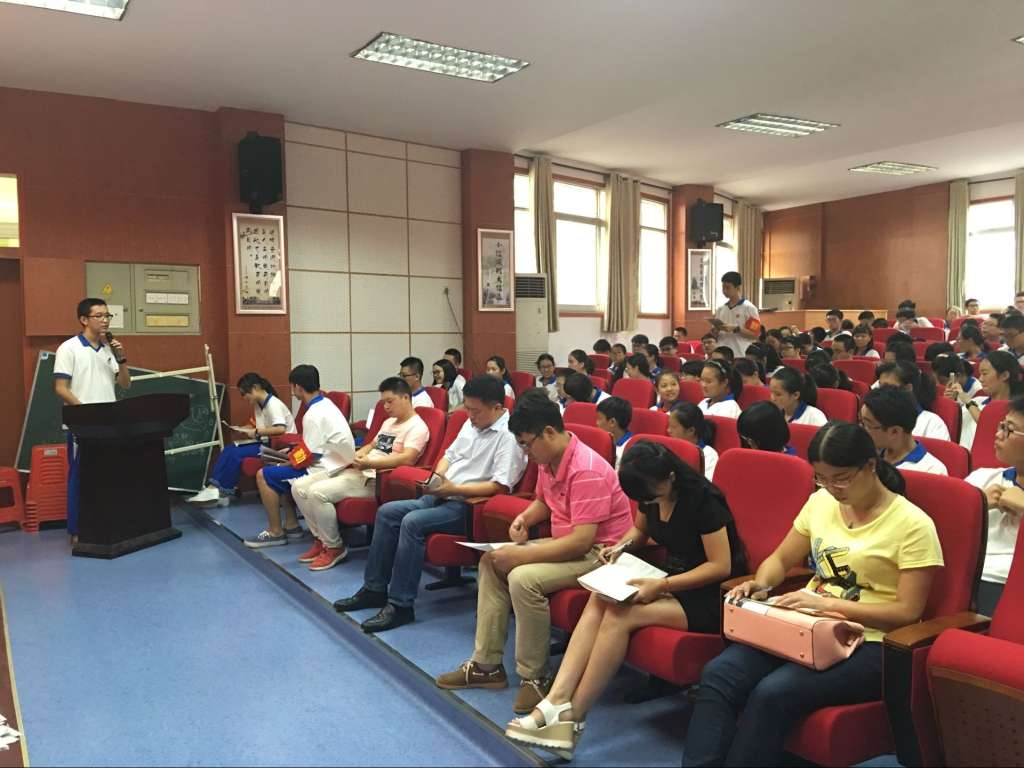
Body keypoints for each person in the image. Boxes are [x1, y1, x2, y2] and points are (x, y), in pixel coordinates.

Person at [684, 421, 942, 767]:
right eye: (822, 478)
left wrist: (826, 605)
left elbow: (907, 612)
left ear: (870, 465)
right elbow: (780, 559)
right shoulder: (820, 502)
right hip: (803, 624)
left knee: (772, 693)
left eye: (841, 479)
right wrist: (762, 583)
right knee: (719, 674)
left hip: (870, 641)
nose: (832, 488)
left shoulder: (913, 524)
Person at [504, 440, 745, 759]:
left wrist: (662, 586)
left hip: (710, 595)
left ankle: (573, 719)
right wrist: (620, 547)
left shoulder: (704, 500)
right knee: (599, 597)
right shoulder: (648, 492)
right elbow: (639, 532)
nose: (648, 503)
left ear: (670, 477)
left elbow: (720, 566)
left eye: (651, 496)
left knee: (621, 615)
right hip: (667, 580)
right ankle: (555, 701)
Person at [435, 393, 633, 715]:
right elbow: (544, 501)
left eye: (527, 445)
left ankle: (536, 677)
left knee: (523, 577)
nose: (526, 453)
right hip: (568, 544)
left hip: (601, 554)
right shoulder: (548, 458)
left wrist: (521, 556)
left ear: (549, 433)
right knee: (490, 562)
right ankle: (486, 666)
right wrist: (525, 519)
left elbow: (582, 542)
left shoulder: (587, 470)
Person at [334, 376, 527, 632]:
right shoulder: (473, 423)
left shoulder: (508, 437)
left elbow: (499, 487)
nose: (469, 416)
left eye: (475, 411)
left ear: (496, 407)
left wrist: (453, 489)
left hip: (467, 506)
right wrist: (437, 477)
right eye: (467, 409)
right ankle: (374, 589)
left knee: (412, 522)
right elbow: (449, 455)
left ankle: (401, 605)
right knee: (387, 512)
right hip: (441, 493)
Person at [291, 377, 429, 571]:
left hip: (378, 479)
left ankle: (334, 547)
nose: (386, 407)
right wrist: (358, 455)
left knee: (317, 493)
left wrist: (370, 463)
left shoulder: (418, 426)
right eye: (383, 402)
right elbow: (372, 444)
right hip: (360, 469)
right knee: (298, 487)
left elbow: (407, 459)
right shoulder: (389, 422)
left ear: (406, 397)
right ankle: (321, 539)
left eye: (390, 401)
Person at [245, 365, 354, 548]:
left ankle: (275, 532)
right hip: (334, 461)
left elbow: (311, 455)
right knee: (278, 471)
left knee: (264, 475)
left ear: (297, 387)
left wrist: (287, 462)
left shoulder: (312, 414)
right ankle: (291, 525)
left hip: (325, 469)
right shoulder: (326, 404)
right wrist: (291, 455)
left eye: (292, 386)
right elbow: (313, 445)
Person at [54, 297, 132, 545]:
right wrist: (87, 413)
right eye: (99, 316)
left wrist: (121, 359)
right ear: (84, 319)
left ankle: (107, 523)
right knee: (80, 477)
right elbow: (61, 388)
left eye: (107, 315)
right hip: (82, 425)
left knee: (109, 476)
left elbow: (125, 384)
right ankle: (77, 530)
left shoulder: (109, 349)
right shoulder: (68, 348)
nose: (105, 320)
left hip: (109, 424)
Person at [187, 372, 295, 504]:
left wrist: (256, 432)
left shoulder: (273, 404)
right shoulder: (259, 405)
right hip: (268, 442)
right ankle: (214, 488)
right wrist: (243, 429)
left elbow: (280, 429)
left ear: (255, 388)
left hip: (280, 448)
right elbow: (260, 426)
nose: (244, 397)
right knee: (229, 449)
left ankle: (221, 491)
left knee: (236, 454)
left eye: (244, 393)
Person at [964, 395, 1024, 615]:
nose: (998, 434)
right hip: (966, 575)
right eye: (1001, 426)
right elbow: (940, 532)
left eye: (1009, 430)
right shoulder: (983, 478)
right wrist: (977, 505)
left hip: (1007, 586)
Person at [861, 387, 948, 475]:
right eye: (861, 422)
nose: (861, 429)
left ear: (894, 432)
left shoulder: (932, 471)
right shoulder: (864, 454)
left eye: (867, 425)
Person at [953, 350, 1024, 449]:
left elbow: (989, 425)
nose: (980, 379)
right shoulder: (977, 400)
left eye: (985, 374)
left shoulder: (1016, 410)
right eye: (980, 374)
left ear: (1004, 375)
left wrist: (967, 401)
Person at [875, 361, 949, 440]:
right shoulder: (875, 418)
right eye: (880, 386)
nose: (880, 393)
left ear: (908, 388)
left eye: (887, 387)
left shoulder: (932, 424)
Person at [363, 357, 434, 428]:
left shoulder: (423, 402)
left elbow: (413, 427)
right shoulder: (402, 394)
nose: (401, 379)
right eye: (400, 375)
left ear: (417, 377)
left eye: (404, 376)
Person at [713, 271, 761, 358]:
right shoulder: (721, 309)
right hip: (722, 354)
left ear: (738, 288)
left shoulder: (749, 308)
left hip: (740, 353)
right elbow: (715, 334)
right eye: (723, 288)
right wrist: (714, 331)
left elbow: (755, 334)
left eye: (728, 288)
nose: (724, 291)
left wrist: (737, 329)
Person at [668, 402, 719, 481]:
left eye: (673, 427)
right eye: (669, 425)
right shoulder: (668, 447)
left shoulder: (709, 455)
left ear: (691, 431)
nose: (668, 430)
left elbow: (705, 485)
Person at [595, 396, 634, 467]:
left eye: (599, 418)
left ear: (612, 422)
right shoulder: (602, 441)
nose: (597, 423)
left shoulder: (628, 449)